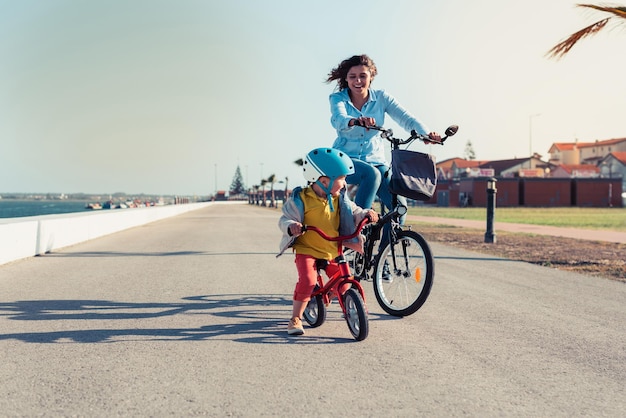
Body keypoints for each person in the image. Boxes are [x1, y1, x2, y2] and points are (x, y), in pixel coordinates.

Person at [277, 147, 378, 336]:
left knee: (344, 280)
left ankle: (332, 299)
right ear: (324, 181)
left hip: (332, 250)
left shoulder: (340, 198)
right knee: (307, 280)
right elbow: (284, 219)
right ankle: (296, 318)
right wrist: (292, 226)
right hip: (307, 249)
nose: (345, 182)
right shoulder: (302, 198)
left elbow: (355, 211)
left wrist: (365, 213)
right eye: (342, 178)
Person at [326, 54, 441, 217]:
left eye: (362, 76)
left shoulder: (382, 98)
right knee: (371, 174)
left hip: (376, 160)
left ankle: (384, 243)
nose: (357, 81)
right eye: (352, 77)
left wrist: (427, 134)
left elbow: (407, 119)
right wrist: (355, 121)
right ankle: (357, 226)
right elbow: (338, 119)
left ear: (371, 76)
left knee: (400, 210)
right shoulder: (338, 98)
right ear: (346, 78)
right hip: (346, 159)